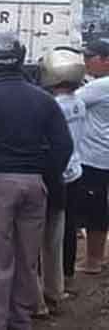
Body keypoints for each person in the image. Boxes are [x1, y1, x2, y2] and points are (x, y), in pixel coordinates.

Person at [0, 31, 73, 330]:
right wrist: (44, 177)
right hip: (35, 186)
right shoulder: (43, 98)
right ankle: (20, 320)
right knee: (26, 259)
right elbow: (63, 146)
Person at [34, 47, 87, 317]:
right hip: (76, 171)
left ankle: (44, 282)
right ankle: (65, 277)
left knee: (48, 232)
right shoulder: (78, 101)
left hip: (57, 174)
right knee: (68, 228)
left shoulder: (51, 105)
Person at [74, 38, 109, 274]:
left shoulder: (99, 87)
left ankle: (93, 261)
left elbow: (64, 102)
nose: (85, 62)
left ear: (106, 60)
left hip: (96, 158)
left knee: (95, 209)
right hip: (102, 155)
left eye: (90, 57)